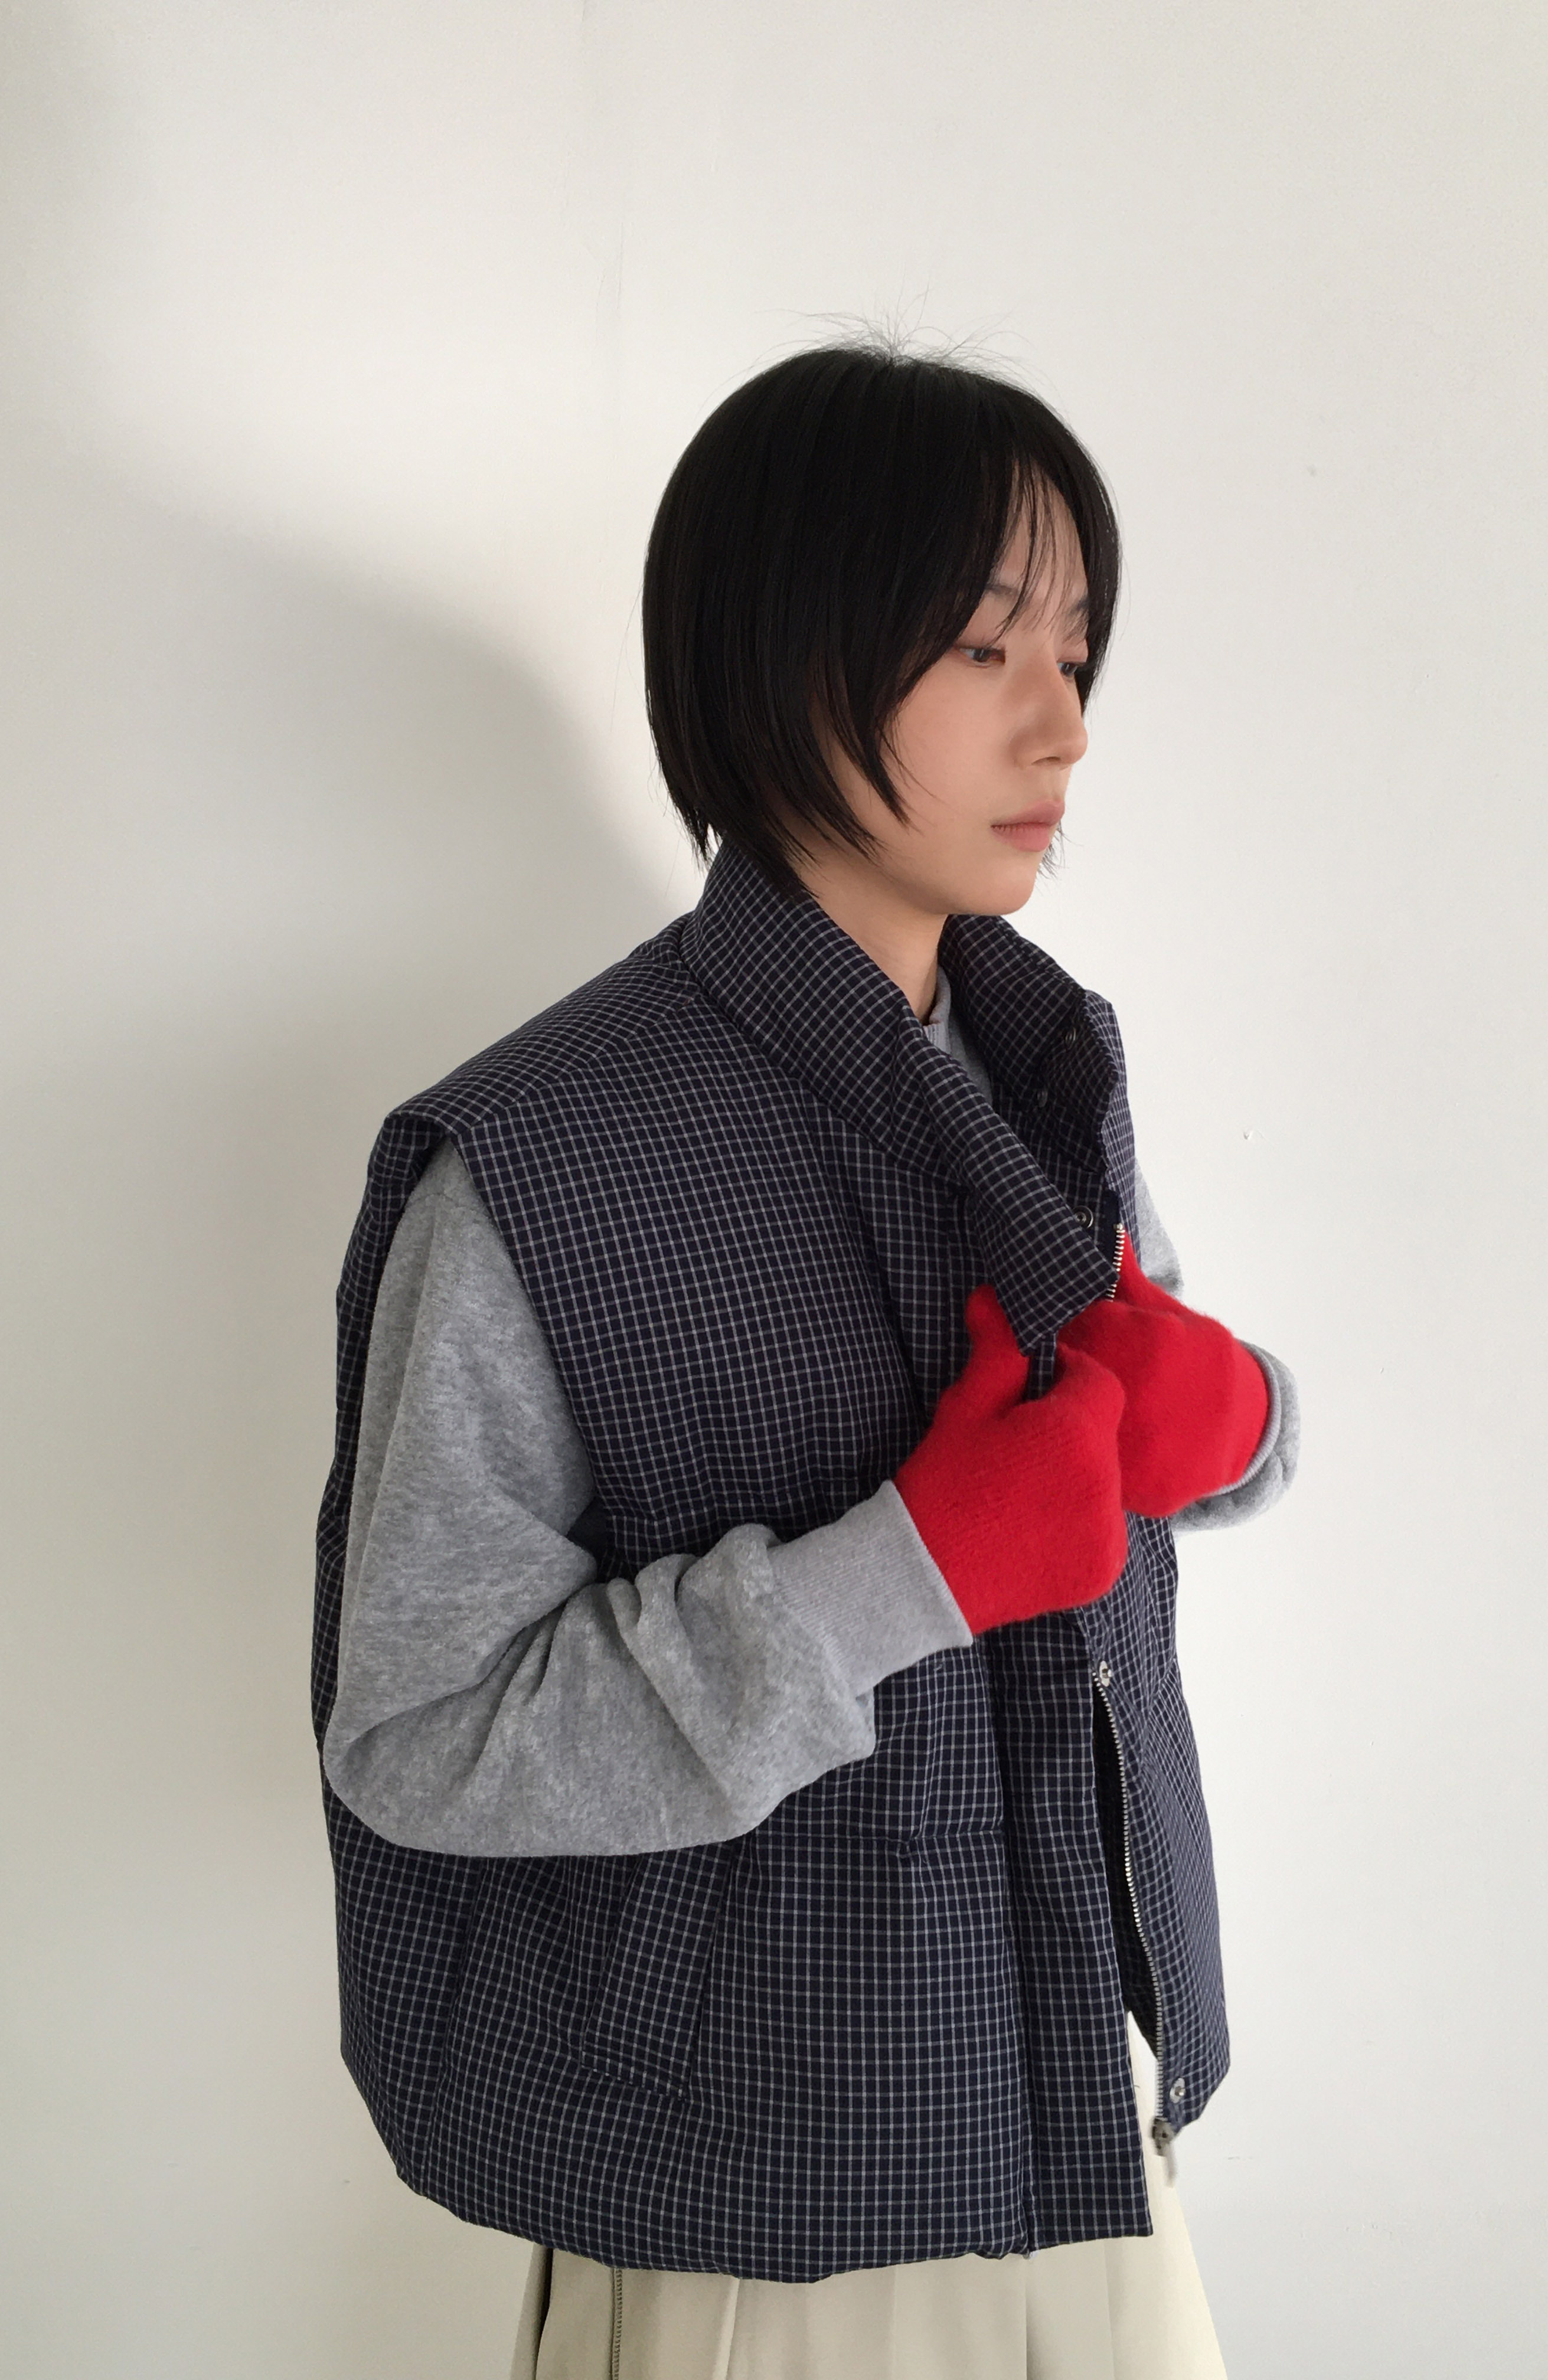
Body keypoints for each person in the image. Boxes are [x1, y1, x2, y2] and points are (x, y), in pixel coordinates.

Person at [311, 336, 1299, 2380]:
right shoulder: (546, 1161)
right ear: (787, 655)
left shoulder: (1042, 1066)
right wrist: (899, 1574)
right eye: (985, 647)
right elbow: (418, 1734)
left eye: (1078, 652)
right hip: (752, 2226)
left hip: (1091, 2130)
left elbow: (1137, 1448)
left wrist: (1244, 1432)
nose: (1065, 723)